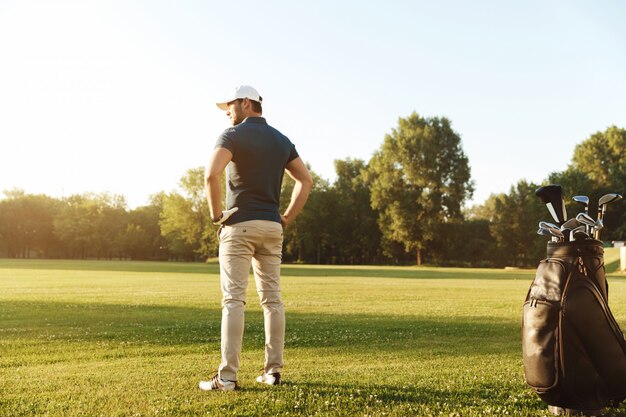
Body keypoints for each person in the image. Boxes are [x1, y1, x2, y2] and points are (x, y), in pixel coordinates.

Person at [199, 85, 313, 391]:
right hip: (271, 228)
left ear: (246, 103)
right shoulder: (282, 140)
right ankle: (272, 372)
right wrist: (286, 217)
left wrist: (215, 216)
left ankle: (226, 378)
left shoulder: (232, 136)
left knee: (234, 300)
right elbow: (306, 180)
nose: (227, 113)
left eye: (230, 106)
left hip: (239, 226)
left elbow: (211, 175)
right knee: (272, 300)